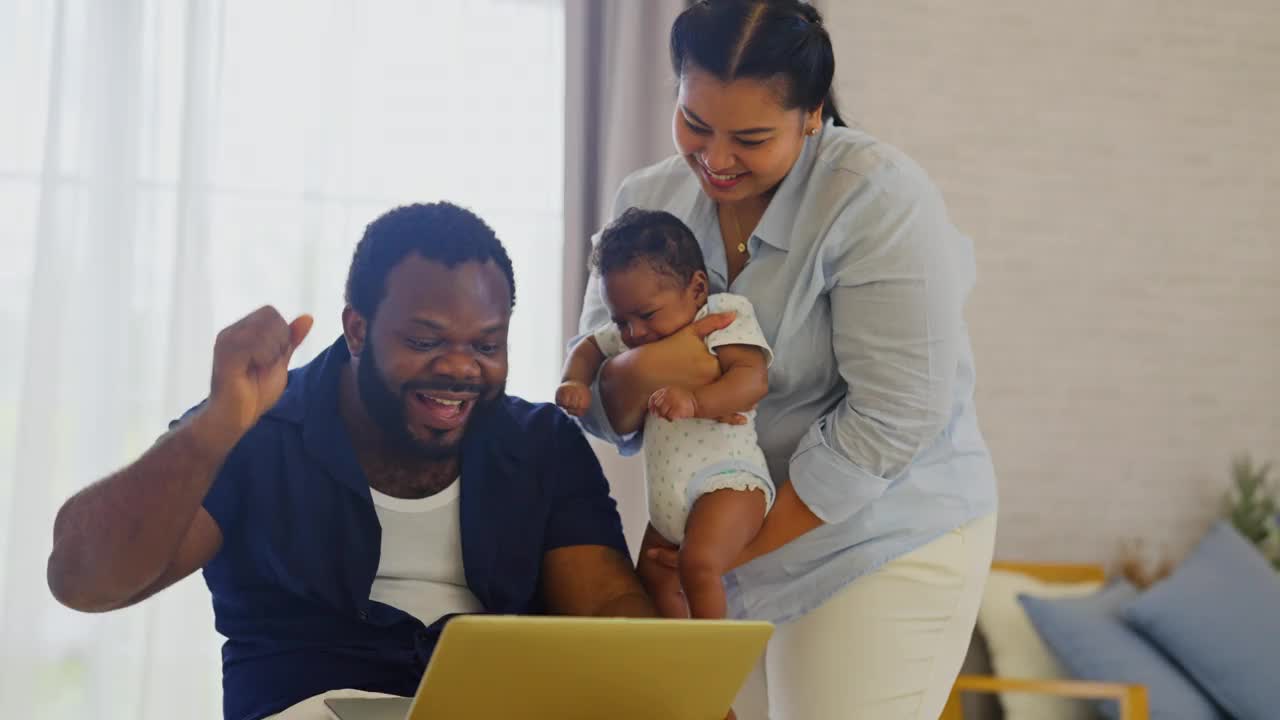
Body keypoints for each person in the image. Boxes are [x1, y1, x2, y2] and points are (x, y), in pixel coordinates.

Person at [46, 202, 656, 720]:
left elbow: (605, 608)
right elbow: (82, 580)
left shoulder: (541, 444)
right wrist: (212, 431)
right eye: (425, 341)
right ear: (358, 329)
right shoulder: (255, 431)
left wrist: (678, 688)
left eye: (486, 345)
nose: (460, 368)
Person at [573, 1, 999, 718]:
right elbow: (605, 404)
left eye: (751, 137)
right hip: (718, 539)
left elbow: (895, 420)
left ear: (811, 116)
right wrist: (660, 367)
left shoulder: (874, 197)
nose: (715, 159)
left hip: (875, 532)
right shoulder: (647, 203)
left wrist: (730, 544)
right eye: (695, 125)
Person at [558, 207, 773, 620]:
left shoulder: (721, 314)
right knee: (652, 580)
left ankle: (711, 657)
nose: (634, 332)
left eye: (647, 315)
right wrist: (575, 382)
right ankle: (675, 666)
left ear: (695, 288)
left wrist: (698, 403)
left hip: (727, 479)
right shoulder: (631, 335)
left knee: (698, 564)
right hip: (666, 501)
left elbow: (752, 380)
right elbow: (587, 347)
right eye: (621, 320)